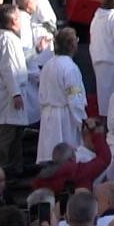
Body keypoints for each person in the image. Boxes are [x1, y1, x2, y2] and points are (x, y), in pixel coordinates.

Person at [0, 5, 31, 175]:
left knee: (16, 134)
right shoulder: (7, 39)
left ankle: (15, 168)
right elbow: (8, 69)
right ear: (13, 21)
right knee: (7, 134)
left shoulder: (9, 38)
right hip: (8, 94)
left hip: (13, 91)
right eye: (19, 18)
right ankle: (1, 170)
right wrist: (15, 93)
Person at [36, 27, 87, 163]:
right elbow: (74, 98)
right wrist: (82, 122)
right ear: (72, 45)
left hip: (48, 116)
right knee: (65, 159)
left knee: (50, 157)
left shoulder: (47, 65)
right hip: (65, 119)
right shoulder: (70, 68)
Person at [30, 118, 111, 193]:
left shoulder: (43, 178)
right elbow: (104, 159)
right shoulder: (78, 170)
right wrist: (97, 135)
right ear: (72, 157)